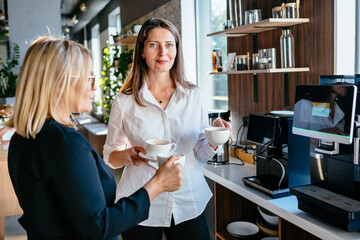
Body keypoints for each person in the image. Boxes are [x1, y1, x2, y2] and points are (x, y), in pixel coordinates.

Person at [5, 36, 183, 240]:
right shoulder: (65, 144)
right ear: (59, 82)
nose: (94, 87)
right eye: (89, 78)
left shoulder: (22, 137)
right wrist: (158, 184)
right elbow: (99, 227)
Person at [103, 18, 230, 240]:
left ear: (176, 49)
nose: (163, 52)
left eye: (169, 44)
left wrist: (214, 139)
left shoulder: (194, 96)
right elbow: (110, 155)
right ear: (142, 51)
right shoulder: (124, 101)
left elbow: (200, 153)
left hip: (187, 200)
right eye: (154, 44)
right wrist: (129, 154)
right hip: (141, 200)